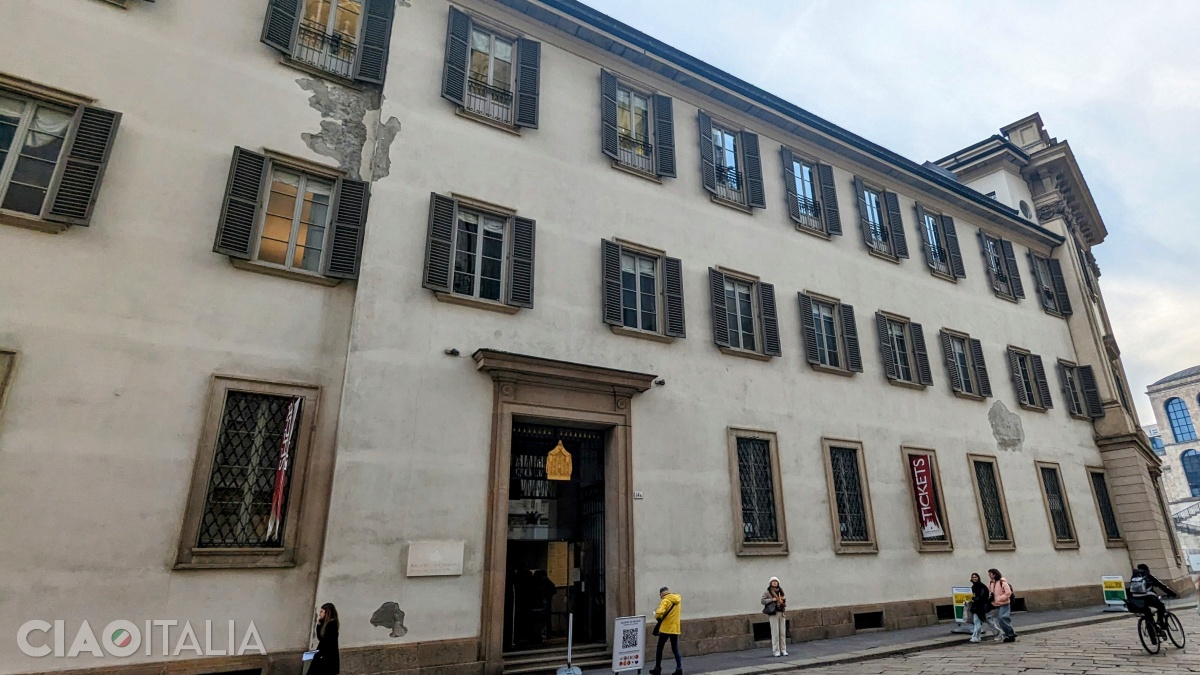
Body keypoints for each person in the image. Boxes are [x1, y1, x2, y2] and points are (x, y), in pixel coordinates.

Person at [1128, 563, 1177, 631]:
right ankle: (1160, 621)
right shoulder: (1148, 575)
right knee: (1161, 606)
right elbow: (1161, 585)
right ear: (1147, 569)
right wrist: (1172, 593)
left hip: (1136, 599)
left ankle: (1153, 632)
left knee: (1147, 613)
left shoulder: (1134, 576)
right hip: (1149, 597)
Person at [650, 586, 682, 675]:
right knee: (675, 649)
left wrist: (656, 615)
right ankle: (679, 669)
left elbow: (659, 614)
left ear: (661, 594)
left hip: (665, 629)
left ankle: (657, 668)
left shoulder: (665, 601)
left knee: (660, 648)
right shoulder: (678, 600)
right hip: (675, 629)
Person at [309, 603, 340, 675]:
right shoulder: (326, 623)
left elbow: (326, 641)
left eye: (321, 612)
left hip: (327, 657)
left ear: (327, 613)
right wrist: (319, 624)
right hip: (322, 654)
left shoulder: (332, 625)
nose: (320, 614)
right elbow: (320, 638)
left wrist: (318, 655)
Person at [987, 569, 1016, 643]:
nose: (989, 575)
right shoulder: (992, 583)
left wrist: (1000, 598)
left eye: (990, 574)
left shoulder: (1002, 582)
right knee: (1000, 620)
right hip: (996, 604)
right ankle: (1008, 634)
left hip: (1004, 603)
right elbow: (991, 592)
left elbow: (1008, 592)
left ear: (994, 574)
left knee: (1003, 618)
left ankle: (1011, 633)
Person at [761, 577, 788, 657]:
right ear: (770, 583)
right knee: (775, 633)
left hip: (781, 611)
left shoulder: (780, 591)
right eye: (773, 581)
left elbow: (783, 600)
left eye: (776, 581)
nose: (774, 582)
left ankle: (783, 650)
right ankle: (776, 651)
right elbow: (762, 601)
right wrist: (772, 600)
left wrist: (783, 601)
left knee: (782, 632)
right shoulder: (768, 591)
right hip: (773, 612)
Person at [967, 572, 995, 643]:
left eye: (975, 577)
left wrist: (973, 599)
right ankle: (975, 637)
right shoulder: (973, 587)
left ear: (978, 578)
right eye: (973, 577)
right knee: (976, 623)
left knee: (990, 623)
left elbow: (982, 597)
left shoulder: (981, 586)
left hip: (984, 608)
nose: (974, 578)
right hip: (976, 608)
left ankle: (999, 634)